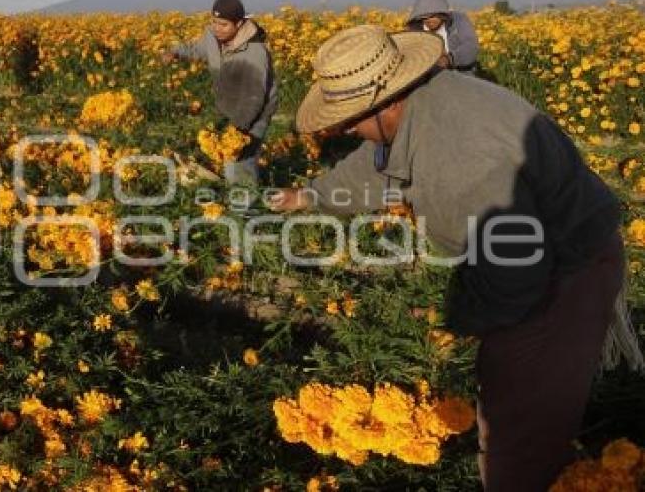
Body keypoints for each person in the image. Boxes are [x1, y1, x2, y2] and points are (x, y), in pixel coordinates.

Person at [268, 25, 642, 491]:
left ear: (386, 101)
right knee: (511, 400)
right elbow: (377, 163)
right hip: (537, 256)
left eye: (350, 120)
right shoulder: (426, 100)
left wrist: (453, 322)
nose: (344, 130)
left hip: (562, 273)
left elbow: (514, 279)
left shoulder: (458, 162)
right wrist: (310, 196)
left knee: (519, 435)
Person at [163, 0, 277, 186]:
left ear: (239, 23)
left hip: (255, 112)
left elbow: (254, 98)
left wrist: (235, 130)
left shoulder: (254, 52)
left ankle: (247, 206)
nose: (217, 28)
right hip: (228, 105)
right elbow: (197, 49)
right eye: (214, 22)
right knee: (226, 158)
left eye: (223, 24)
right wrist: (175, 52)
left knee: (239, 163)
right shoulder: (213, 37)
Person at [406, 0, 479, 71]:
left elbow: (471, 46)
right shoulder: (415, 30)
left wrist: (449, 59)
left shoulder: (459, 20)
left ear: (443, 14)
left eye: (433, 15)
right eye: (424, 17)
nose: (429, 20)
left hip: (461, 72)